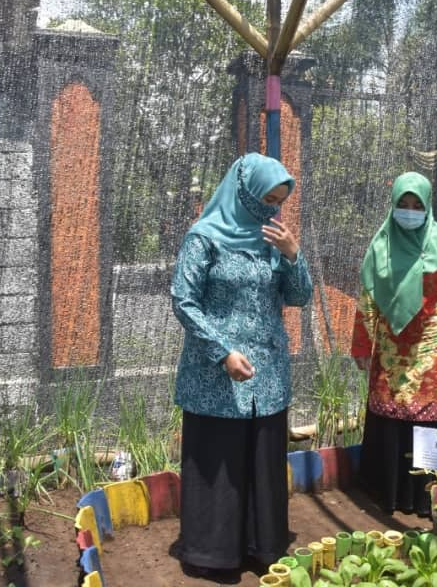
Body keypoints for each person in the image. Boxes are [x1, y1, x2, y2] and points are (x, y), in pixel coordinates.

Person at [170, 152, 311, 583]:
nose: (271, 209)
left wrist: (293, 255)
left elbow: (299, 297)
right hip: (216, 375)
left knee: (261, 461)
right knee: (220, 462)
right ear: (243, 193)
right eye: (265, 198)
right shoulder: (204, 238)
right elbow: (184, 299)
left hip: (266, 373)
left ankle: (262, 546)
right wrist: (222, 351)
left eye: (278, 201)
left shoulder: (274, 238)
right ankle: (212, 553)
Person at [351, 172, 437, 517]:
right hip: (391, 349)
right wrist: (362, 345)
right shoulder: (380, 245)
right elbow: (368, 300)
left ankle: (426, 498)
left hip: (433, 347)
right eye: (402, 204)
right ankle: (388, 493)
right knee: (391, 412)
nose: (409, 211)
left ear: (428, 205)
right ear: (393, 205)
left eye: (417, 205)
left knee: (430, 414)